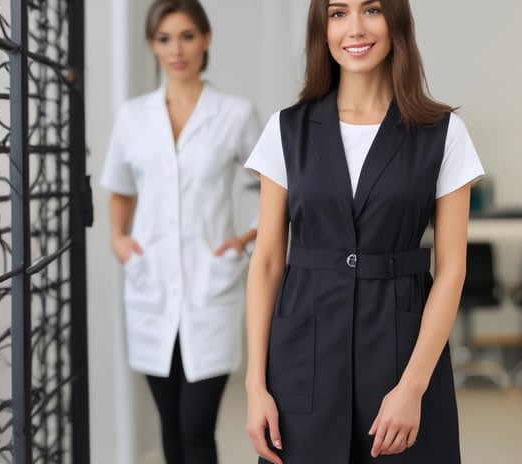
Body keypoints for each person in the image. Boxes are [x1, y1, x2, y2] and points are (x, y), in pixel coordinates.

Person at [243, 0, 484, 463]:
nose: (355, 28)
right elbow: (269, 260)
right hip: (304, 356)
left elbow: (452, 268)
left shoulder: (443, 132)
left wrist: (412, 388)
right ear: (322, 28)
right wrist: (256, 385)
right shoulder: (287, 130)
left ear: (396, 22)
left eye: (371, 9)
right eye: (338, 13)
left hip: (402, 352)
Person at [100, 1, 260, 462]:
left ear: (206, 39)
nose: (177, 49)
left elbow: (274, 188)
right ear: (152, 45)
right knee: (169, 423)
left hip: (209, 286)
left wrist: (244, 239)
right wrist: (118, 238)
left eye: (187, 36)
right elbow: (121, 188)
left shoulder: (235, 113)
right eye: (165, 38)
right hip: (151, 284)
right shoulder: (134, 116)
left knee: (196, 426)